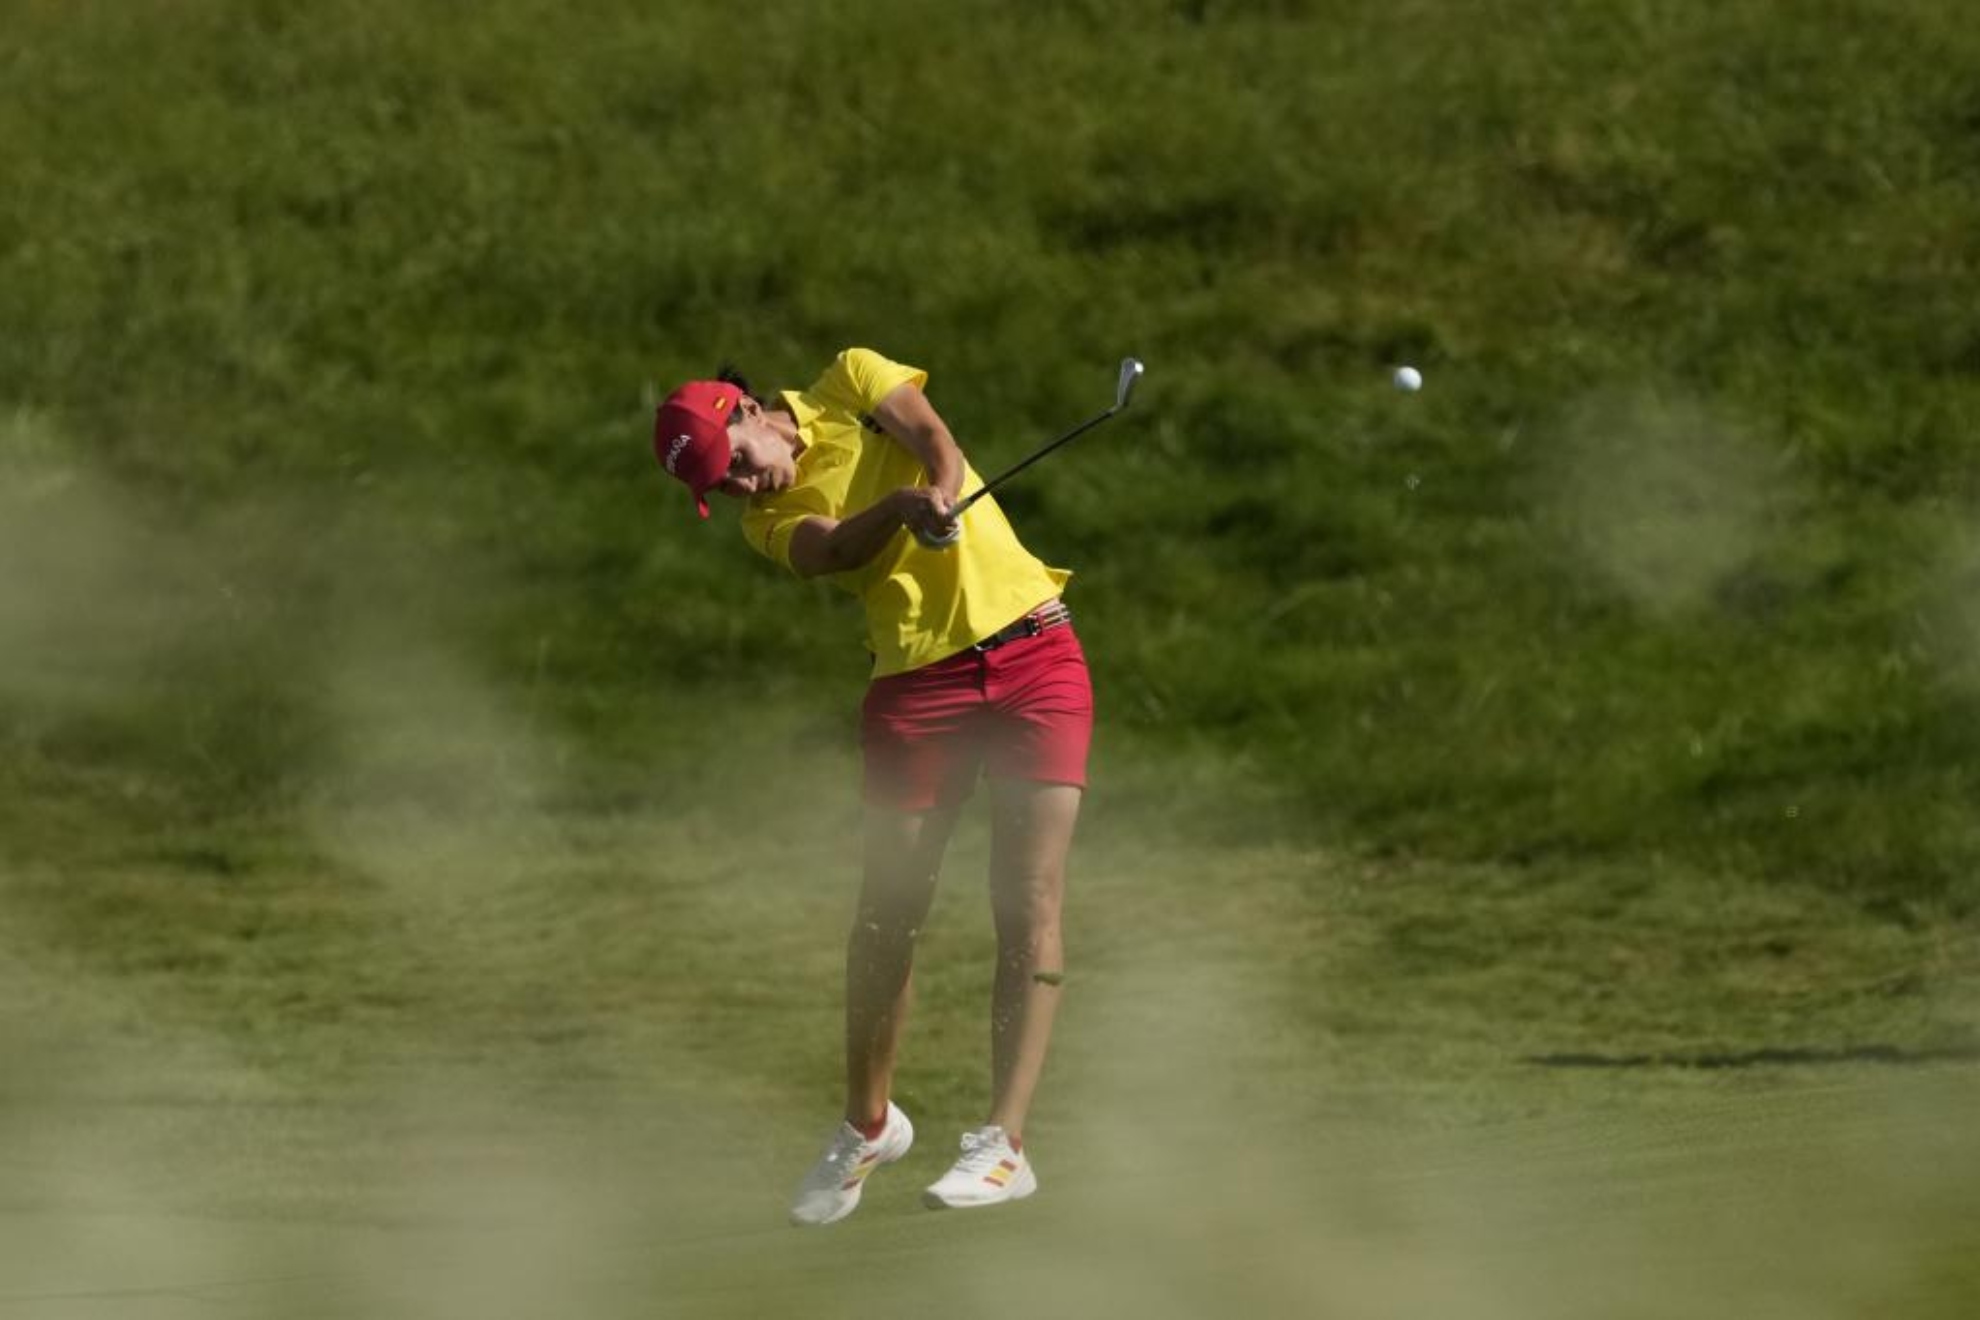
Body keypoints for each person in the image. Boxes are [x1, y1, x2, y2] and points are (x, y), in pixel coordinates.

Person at [653, 347, 1093, 1226]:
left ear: (743, 409)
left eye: (735, 462)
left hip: (1037, 654)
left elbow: (932, 435)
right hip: (915, 690)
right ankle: (868, 1124)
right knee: (886, 915)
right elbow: (830, 550)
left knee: (1030, 899)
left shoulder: (849, 379)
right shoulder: (769, 522)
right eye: (722, 487)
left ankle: (1005, 1143)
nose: (743, 486)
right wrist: (901, 510)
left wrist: (938, 489)